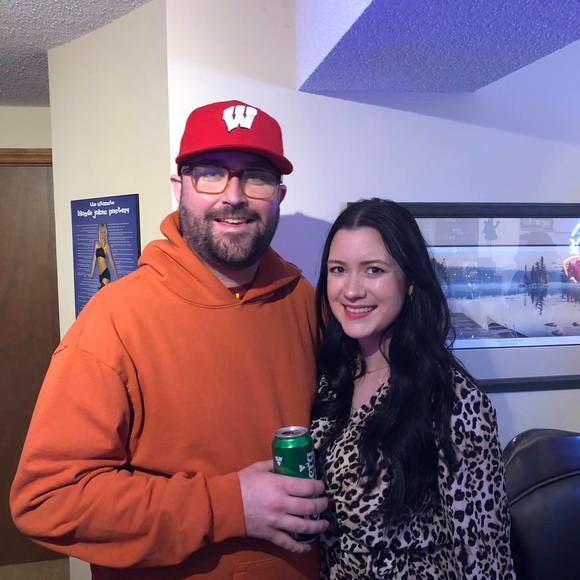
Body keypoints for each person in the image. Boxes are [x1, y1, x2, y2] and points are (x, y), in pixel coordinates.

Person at [10, 100, 328, 580]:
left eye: (257, 177)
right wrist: (228, 505)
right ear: (179, 187)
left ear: (279, 195)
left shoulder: (303, 299)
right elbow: (47, 500)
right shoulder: (115, 320)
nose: (234, 196)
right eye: (211, 174)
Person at [311, 198, 515, 579]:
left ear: (409, 283)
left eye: (373, 270)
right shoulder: (331, 379)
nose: (351, 290)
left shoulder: (452, 399)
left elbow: (485, 557)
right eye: (339, 269)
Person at [88, 222, 118, 287]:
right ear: (99, 233)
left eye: (104, 232)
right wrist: (91, 274)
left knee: (101, 290)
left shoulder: (106, 245)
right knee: (105, 292)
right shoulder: (97, 244)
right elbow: (94, 260)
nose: (103, 234)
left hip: (106, 273)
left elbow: (111, 261)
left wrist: (116, 275)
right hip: (101, 274)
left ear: (106, 233)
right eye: (101, 232)